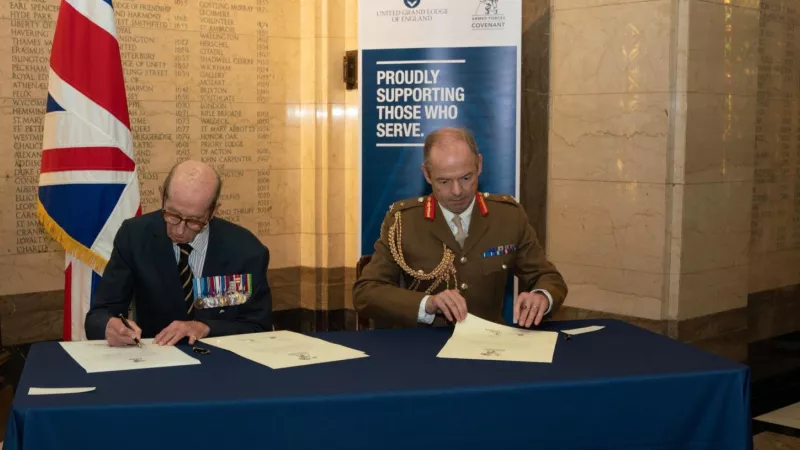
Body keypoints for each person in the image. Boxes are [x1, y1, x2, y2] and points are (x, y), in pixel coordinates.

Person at [353, 127, 567, 328]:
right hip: (423, 349)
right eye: (444, 181)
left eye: (466, 178)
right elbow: (366, 293)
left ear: (479, 165)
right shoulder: (403, 221)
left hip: (489, 347)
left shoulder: (508, 215)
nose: (457, 191)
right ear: (427, 174)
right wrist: (427, 303)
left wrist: (541, 296)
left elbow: (548, 277)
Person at [85, 160, 272, 346]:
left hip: (221, 365)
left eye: (194, 220)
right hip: (157, 361)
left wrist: (206, 328)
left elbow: (258, 327)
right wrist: (110, 326)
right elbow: (99, 315)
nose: (180, 231)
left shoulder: (246, 251)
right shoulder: (134, 237)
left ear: (213, 211)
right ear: (162, 196)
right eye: (172, 215)